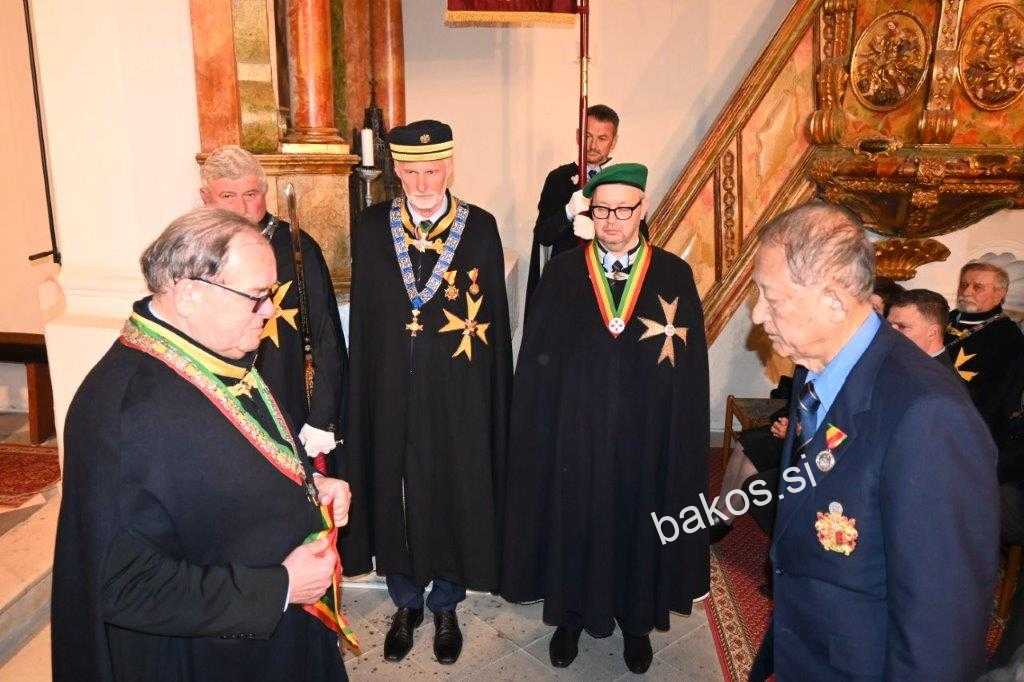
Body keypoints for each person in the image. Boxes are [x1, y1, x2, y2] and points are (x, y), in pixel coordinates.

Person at [52, 207, 353, 681]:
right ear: (190, 293)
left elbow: (235, 457)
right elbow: (123, 584)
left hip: (275, 640)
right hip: (207, 658)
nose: (270, 311)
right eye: (256, 297)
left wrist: (308, 487)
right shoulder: (122, 413)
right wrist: (281, 587)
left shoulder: (209, 351)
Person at [748, 202, 998, 681]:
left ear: (833, 300)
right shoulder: (815, 369)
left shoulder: (929, 414)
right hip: (810, 646)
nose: (758, 314)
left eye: (771, 298)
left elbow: (941, 624)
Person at [502, 163, 710, 675]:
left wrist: (678, 436)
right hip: (577, 435)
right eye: (601, 210)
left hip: (645, 435)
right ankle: (569, 617)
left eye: (623, 210)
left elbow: (691, 372)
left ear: (644, 208)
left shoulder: (673, 275)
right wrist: (540, 431)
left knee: (640, 520)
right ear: (588, 211)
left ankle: (636, 623)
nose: (612, 221)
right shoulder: (564, 273)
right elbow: (537, 360)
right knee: (575, 520)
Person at [341, 120, 513, 666]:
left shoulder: (479, 227)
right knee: (393, 484)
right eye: (410, 172)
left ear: (450, 167)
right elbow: (366, 316)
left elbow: (495, 322)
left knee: (452, 483)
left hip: (456, 388)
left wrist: (488, 395)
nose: (421, 183)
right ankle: (406, 601)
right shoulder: (372, 227)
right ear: (396, 169)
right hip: (390, 383)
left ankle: (445, 603)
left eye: (432, 171)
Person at [200, 145, 347, 469]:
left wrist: (322, 418)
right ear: (205, 197)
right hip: (218, 403)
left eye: (251, 194)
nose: (241, 207)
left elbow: (327, 337)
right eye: (227, 196)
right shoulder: (194, 249)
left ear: (265, 193)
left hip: (286, 398)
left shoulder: (296, 248)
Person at [525, 104, 622, 310]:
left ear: (613, 142)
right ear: (578, 136)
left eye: (602, 138)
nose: (593, 145)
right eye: (587, 136)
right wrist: (568, 212)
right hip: (565, 285)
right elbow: (543, 235)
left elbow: (640, 240)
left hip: (608, 288)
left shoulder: (623, 183)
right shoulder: (558, 178)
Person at [945, 261, 1024, 428]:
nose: (966, 292)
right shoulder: (941, 320)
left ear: (999, 294)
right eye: (964, 285)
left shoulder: (1009, 337)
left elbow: (1002, 396)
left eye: (977, 287)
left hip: (972, 423)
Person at [886, 288, 953, 367]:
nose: (890, 332)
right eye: (888, 325)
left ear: (932, 332)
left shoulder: (937, 373)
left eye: (902, 326)